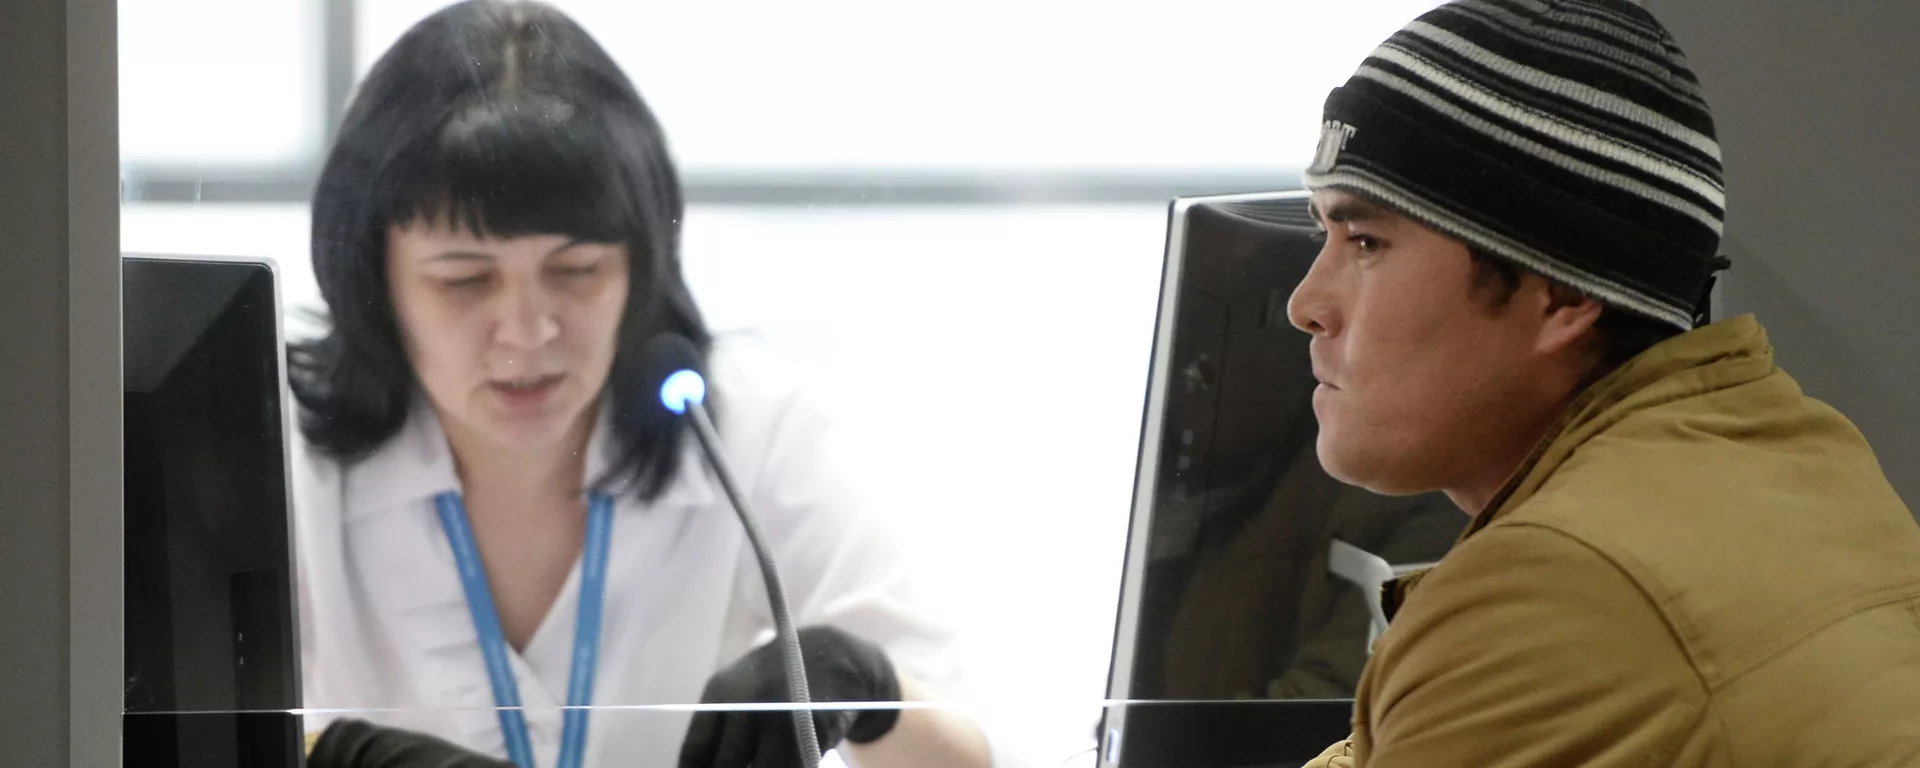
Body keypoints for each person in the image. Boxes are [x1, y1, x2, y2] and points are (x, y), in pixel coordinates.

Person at [284, 2, 1002, 766]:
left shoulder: (746, 430)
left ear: (642, 267)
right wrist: (324, 755)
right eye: (465, 280)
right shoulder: (282, 457)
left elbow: (966, 759)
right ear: (373, 282)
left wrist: (870, 690)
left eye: (577, 270)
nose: (528, 331)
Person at [1282, 1, 1920, 765]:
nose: (1304, 305)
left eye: (1366, 242)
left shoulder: (1553, 590)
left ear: (1561, 293)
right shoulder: (1798, 454)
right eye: (1321, 231)